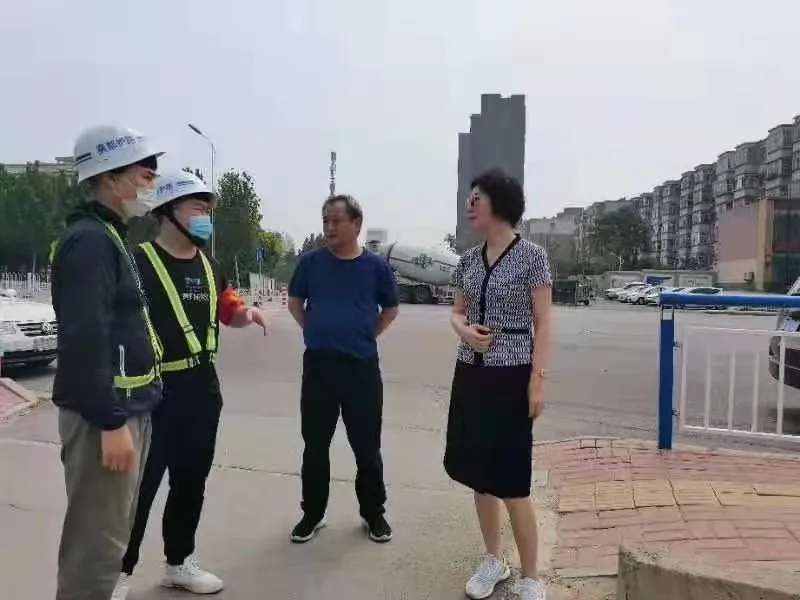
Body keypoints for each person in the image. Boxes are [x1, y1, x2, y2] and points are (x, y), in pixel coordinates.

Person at [111, 171, 269, 599]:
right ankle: (117, 572)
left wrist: (246, 314)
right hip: (153, 391)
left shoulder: (210, 266)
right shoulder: (136, 262)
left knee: (191, 480)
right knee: (139, 488)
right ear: (167, 211)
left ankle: (178, 562)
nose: (205, 217)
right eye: (198, 207)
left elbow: (228, 309)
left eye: (208, 209)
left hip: (202, 388)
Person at [51, 124, 165, 600]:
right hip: (105, 415)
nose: (152, 185)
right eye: (145, 174)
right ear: (110, 177)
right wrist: (110, 420)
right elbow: (84, 339)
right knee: (96, 548)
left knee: (111, 538)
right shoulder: (90, 242)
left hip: (126, 409)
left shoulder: (110, 236)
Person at [444, 169, 552, 600]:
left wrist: (537, 382)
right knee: (480, 475)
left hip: (512, 374)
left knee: (512, 478)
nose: (469, 205)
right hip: (471, 373)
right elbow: (456, 312)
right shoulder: (468, 260)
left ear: (500, 203)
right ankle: (494, 559)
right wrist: (464, 330)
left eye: (477, 198)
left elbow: (544, 323)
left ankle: (531, 576)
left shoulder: (532, 256)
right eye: (468, 198)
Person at [287, 194, 399, 544]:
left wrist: (366, 334)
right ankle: (312, 514)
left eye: (336, 220)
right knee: (315, 445)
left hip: (361, 367)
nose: (329, 227)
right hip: (319, 366)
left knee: (367, 446)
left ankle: (373, 513)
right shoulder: (310, 263)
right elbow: (295, 302)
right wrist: (314, 330)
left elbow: (391, 309)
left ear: (356, 224)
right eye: (325, 221)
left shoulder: (376, 267)